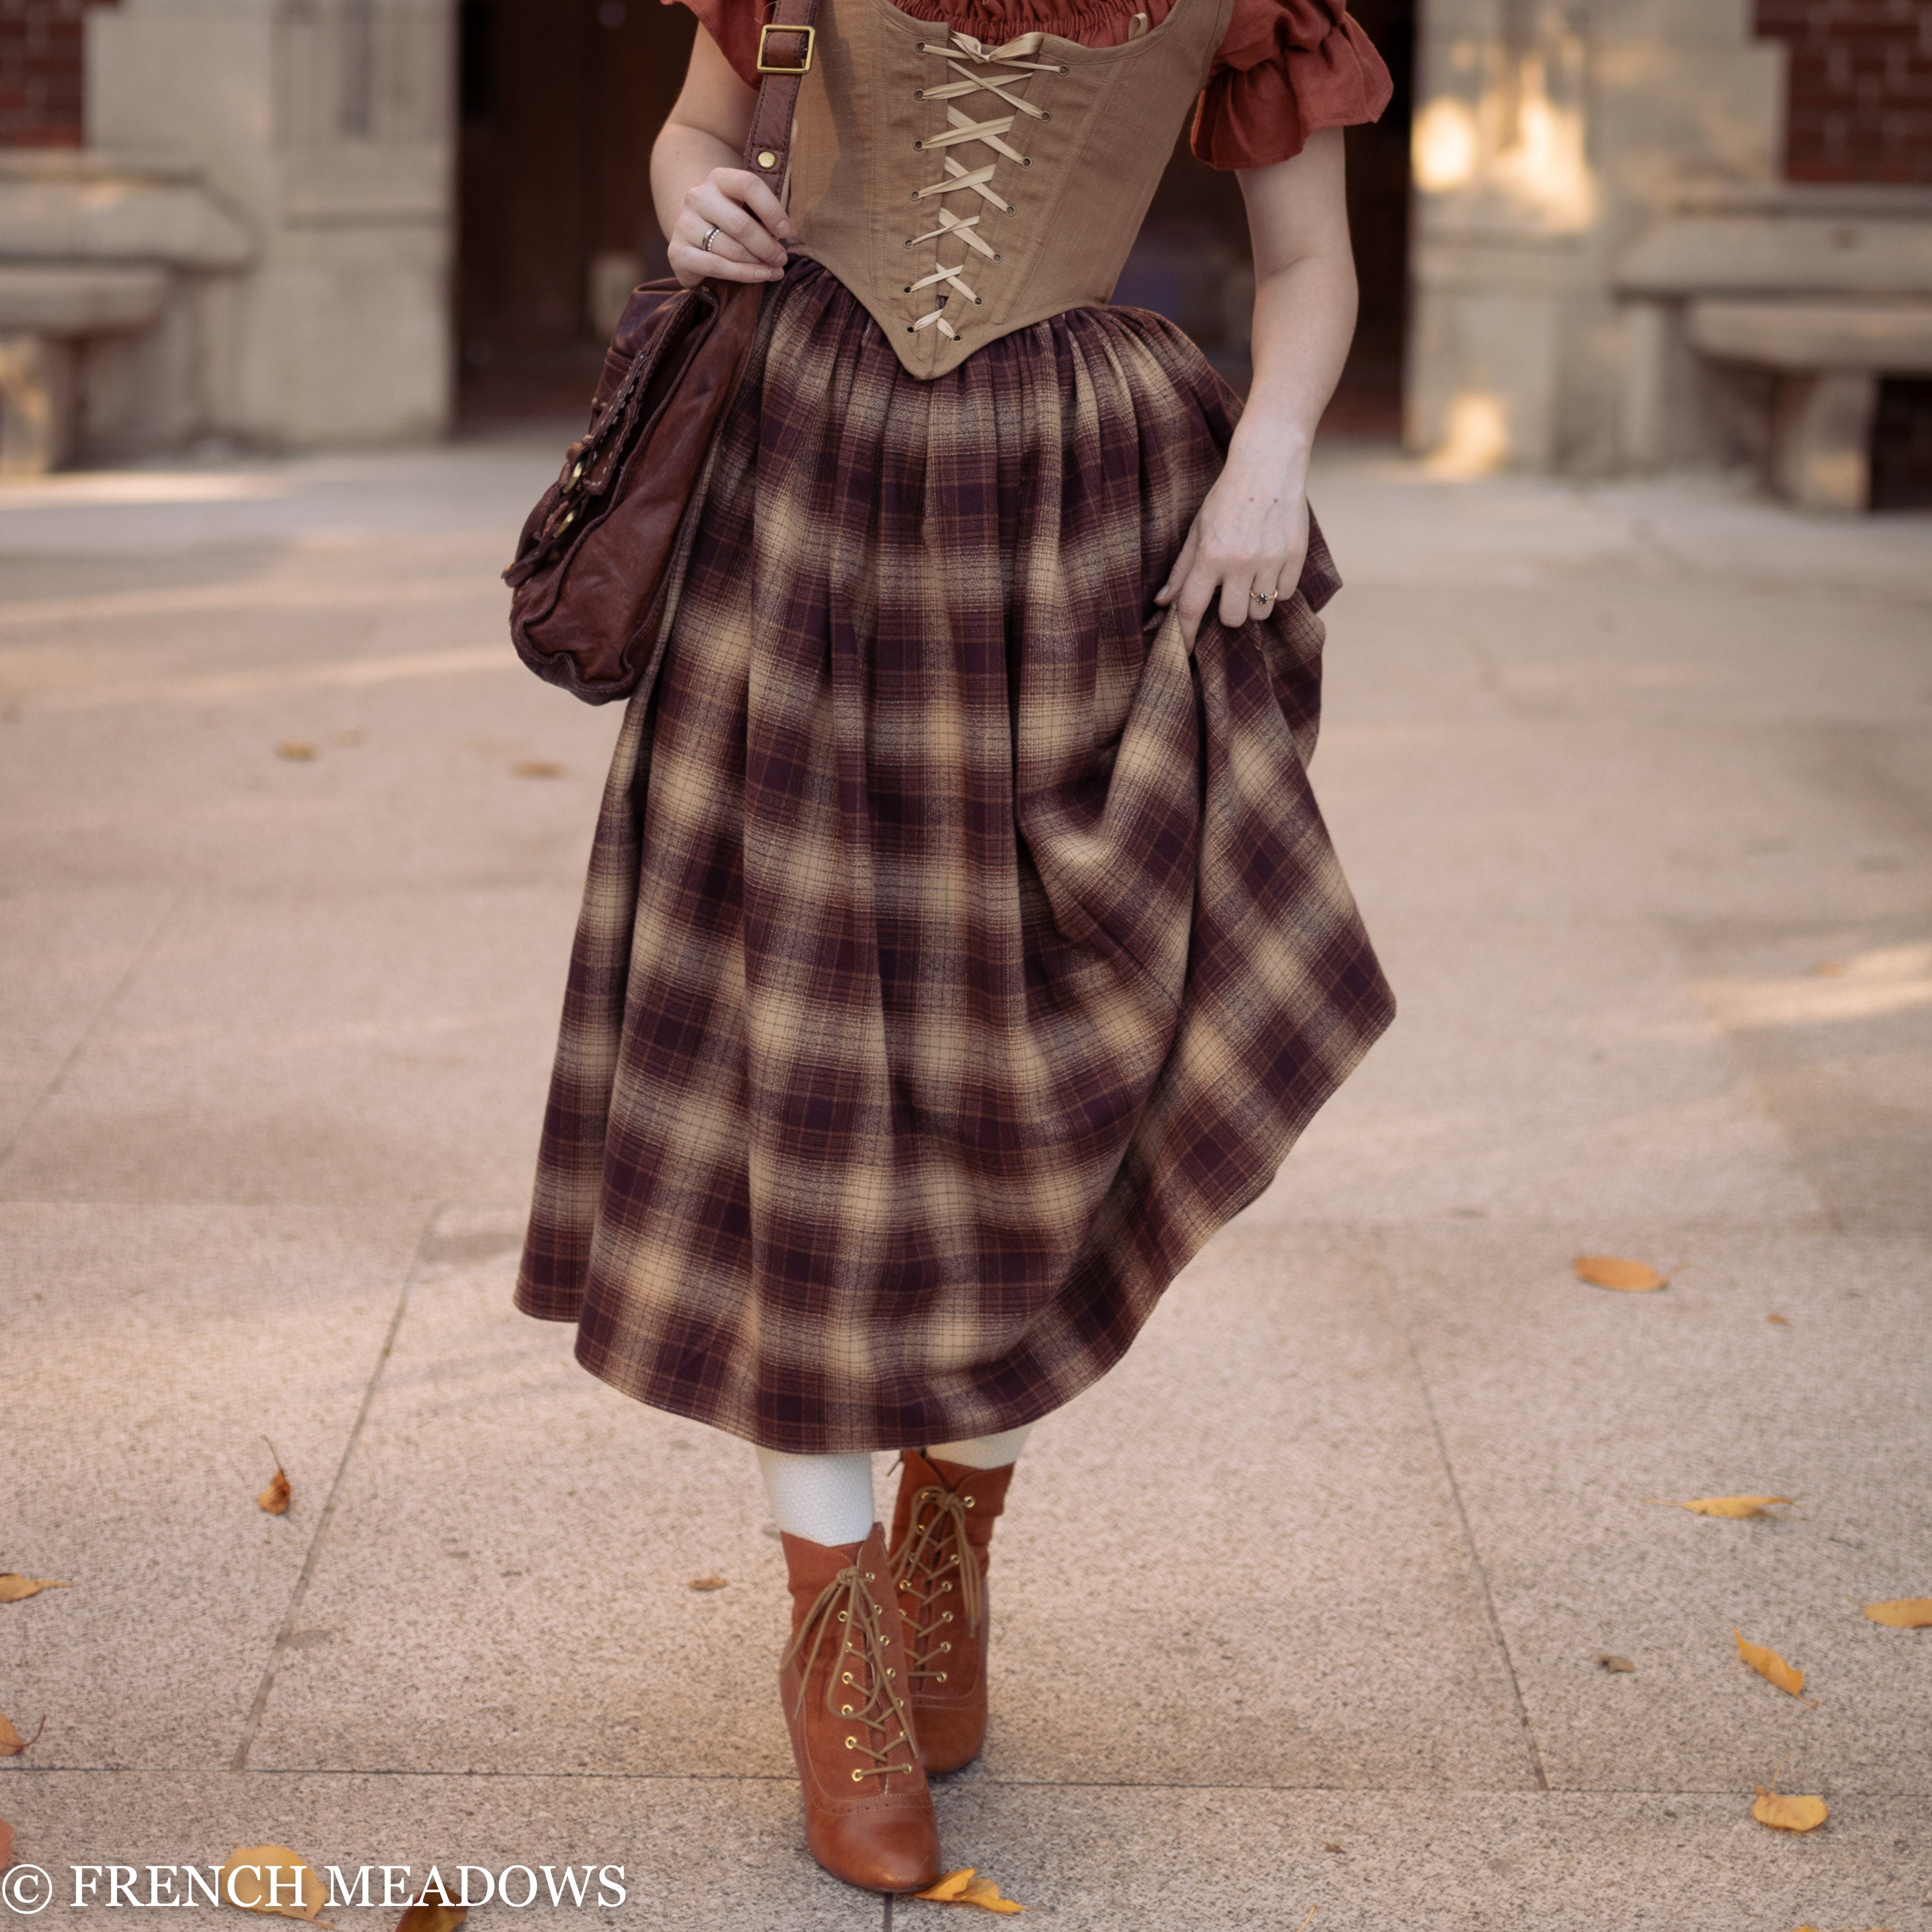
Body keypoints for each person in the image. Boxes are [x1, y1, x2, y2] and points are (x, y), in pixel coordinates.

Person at [515, 0, 1396, 1895]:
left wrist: (1273, 458)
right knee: (797, 1069)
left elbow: (1309, 261)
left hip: (1067, 516)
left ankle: (947, 1539)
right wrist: (697, 207)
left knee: (1037, 1075)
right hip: (797, 494)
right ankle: (834, 1639)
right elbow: (696, 133)